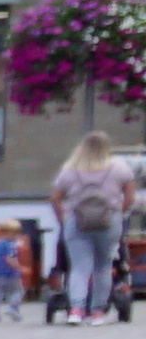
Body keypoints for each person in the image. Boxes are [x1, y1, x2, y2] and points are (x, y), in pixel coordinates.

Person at [61, 133, 131, 325]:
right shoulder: (119, 167)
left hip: (77, 221)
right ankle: (98, 312)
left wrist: (63, 218)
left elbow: (55, 196)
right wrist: (118, 214)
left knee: (79, 268)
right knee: (103, 266)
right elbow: (129, 196)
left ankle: (76, 310)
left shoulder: (70, 168)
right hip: (109, 221)